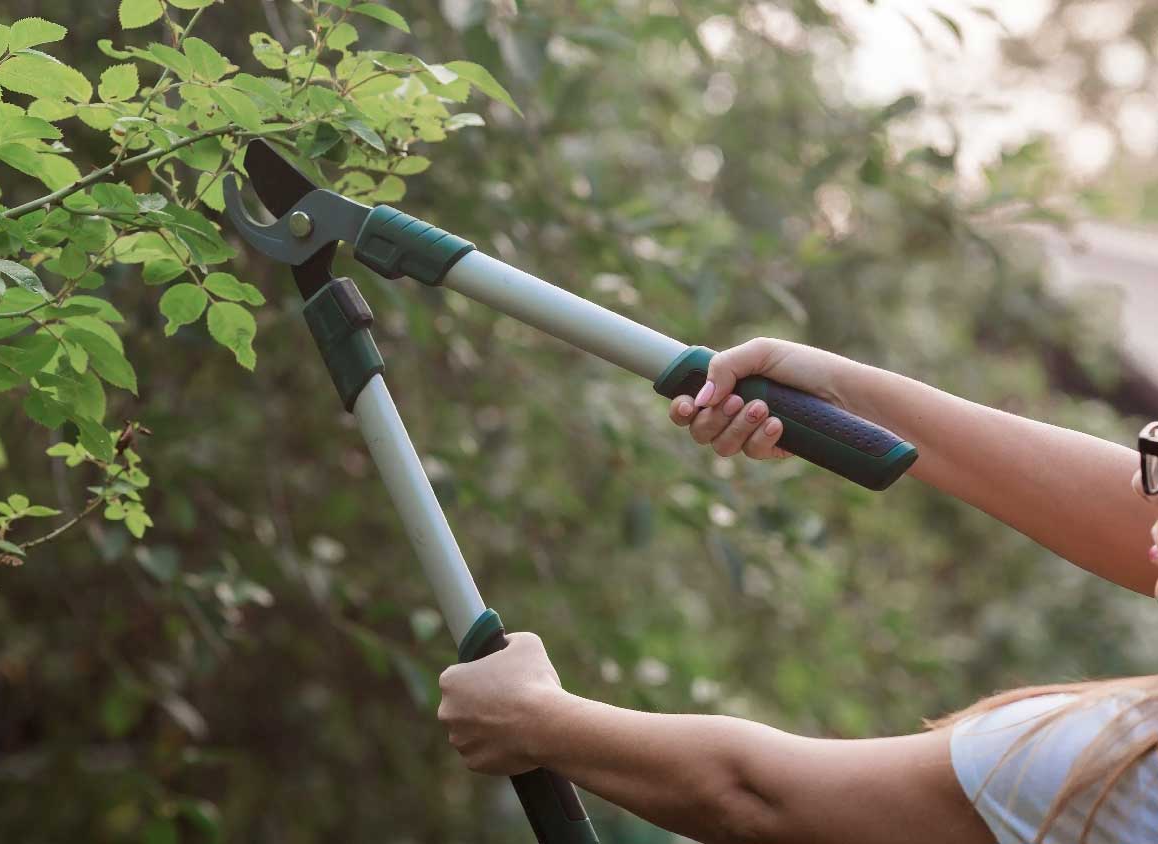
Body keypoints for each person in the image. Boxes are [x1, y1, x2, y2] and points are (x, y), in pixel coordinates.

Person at [437, 337, 1158, 844]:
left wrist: (537, 720)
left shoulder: (1114, 769)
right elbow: (1135, 510)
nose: (1140, 476)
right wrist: (844, 394)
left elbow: (753, 799)